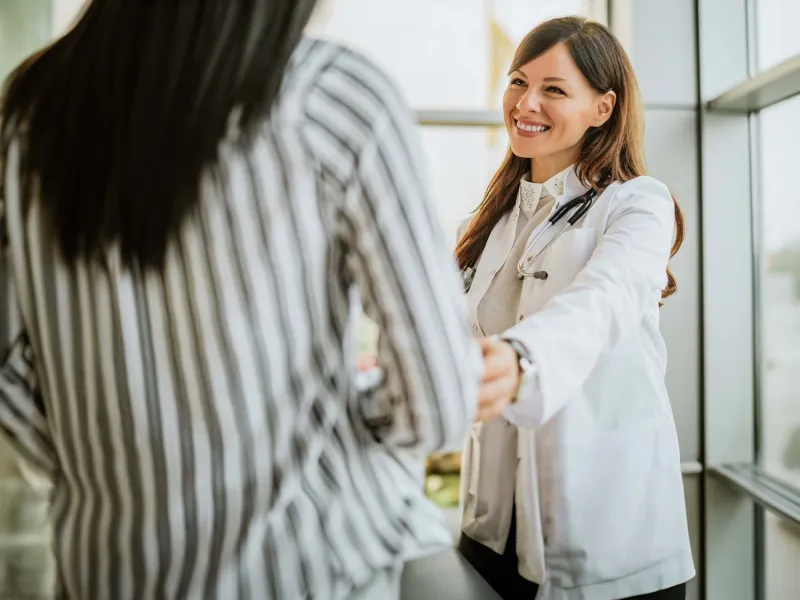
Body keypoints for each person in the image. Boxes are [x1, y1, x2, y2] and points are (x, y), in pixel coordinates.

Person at [0, 1, 490, 598]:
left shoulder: (31, 108)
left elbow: (8, 373)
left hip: (105, 570)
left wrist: (119, 458)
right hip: (310, 572)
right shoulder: (332, 95)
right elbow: (438, 403)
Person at [455, 16, 695, 600]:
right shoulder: (483, 227)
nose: (525, 102)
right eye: (517, 81)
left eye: (554, 89)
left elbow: (602, 303)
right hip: (490, 533)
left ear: (603, 108)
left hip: (609, 544)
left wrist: (518, 362)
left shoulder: (638, 205)